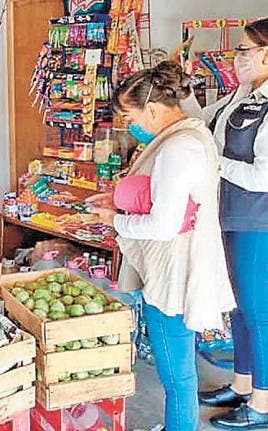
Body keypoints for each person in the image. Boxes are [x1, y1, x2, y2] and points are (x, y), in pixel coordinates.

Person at [87, 62, 236, 431]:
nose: (128, 125)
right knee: (178, 370)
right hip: (173, 264)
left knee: (176, 375)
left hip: (173, 272)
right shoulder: (180, 138)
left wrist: (114, 221)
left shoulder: (179, 148)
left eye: (129, 116)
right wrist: (119, 200)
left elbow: (163, 224)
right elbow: (160, 198)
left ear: (152, 109)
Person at [181, 18, 268, 429]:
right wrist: (184, 88)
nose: (237, 58)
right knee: (238, 306)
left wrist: (216, 164)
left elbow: (263, 176)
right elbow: (202, 123)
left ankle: (262, 404)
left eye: (244, 51)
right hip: (229, 215)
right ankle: (242, 383)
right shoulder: (241, 96)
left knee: (258, 310)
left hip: (258, 222)